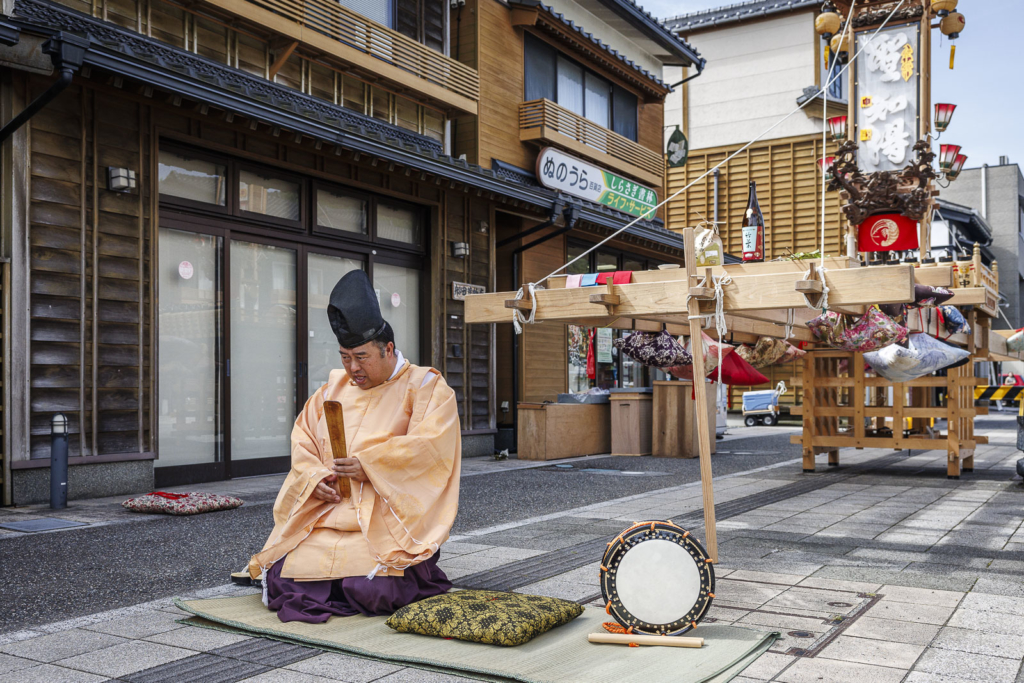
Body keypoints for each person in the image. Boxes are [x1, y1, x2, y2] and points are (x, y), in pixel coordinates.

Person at [247, 270, 461, 624]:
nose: (352, 368)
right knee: (284, 579)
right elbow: (304, 438)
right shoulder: (332, 389)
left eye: (362, 357)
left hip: (382, 517)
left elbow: (431, 449)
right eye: (345, 356)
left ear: (388, 348)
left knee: (375, 590)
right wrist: (314, 476)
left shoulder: (425, 387)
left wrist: (373, 466)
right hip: (327, 512)